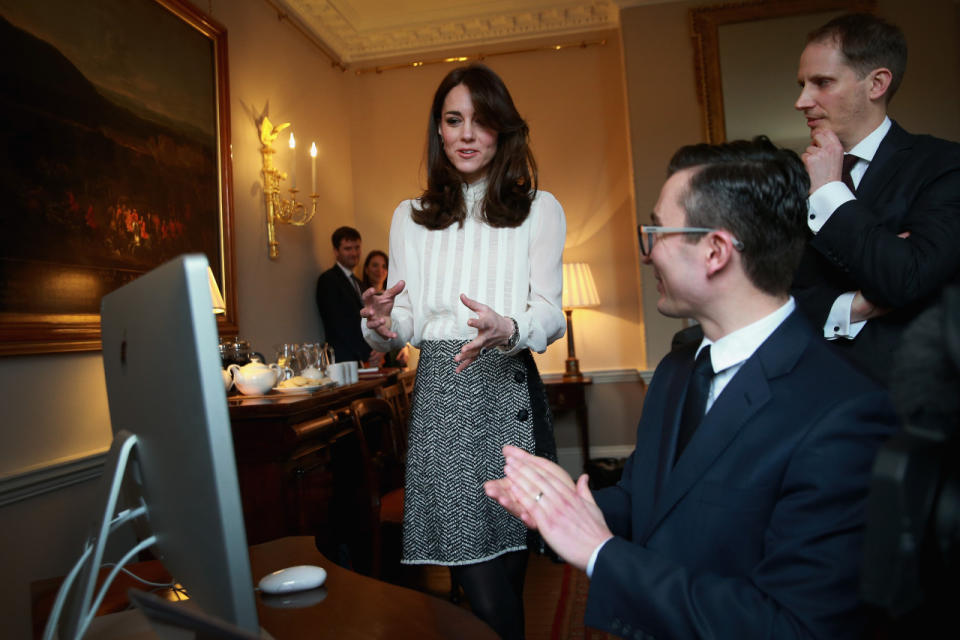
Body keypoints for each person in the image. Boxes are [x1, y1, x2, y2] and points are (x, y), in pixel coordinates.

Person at [485, 137, 898, 639]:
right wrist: (558, 508)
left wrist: (600, 553)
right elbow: (649, 504)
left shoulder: (843, 414)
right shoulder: (677, 371)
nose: (646, 253)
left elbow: (791, 626)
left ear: (715, 251)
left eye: (656, 232)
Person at [361, 63, 565, 639]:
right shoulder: (409, 218)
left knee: (509, 572)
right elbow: (398, 326)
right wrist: (379, 324)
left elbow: (550, 313)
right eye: (454, 121)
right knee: (479, 585)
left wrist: (511, 326)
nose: (467, 134)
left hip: (507, 393)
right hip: (443, 398)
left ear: (503, 130)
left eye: (481, 121)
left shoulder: (539, 209)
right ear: (439, 130)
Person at [791, 13, 960, 386]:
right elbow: (773, 295)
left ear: (877, 83)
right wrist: (851, 305)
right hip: (806, 392)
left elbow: (904, 277)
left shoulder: (945, 166)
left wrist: (828, 194)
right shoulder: (791, 179)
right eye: (803, 84)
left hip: (907, 408)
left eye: (822, 82)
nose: (802, 101)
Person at [316, 226, 385, 367]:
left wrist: (377, 349)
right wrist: (367, 353)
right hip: (344, 361)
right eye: (347, 248)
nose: (354, 253)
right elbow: (339, 325)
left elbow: (369, 322)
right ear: (336, 251)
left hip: (366, 361)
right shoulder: (328, 280)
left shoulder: (360, 284)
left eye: (357, 247)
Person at [361, 249, 409, 367]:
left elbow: (405, 326)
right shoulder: (363, 295)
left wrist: (406, 348)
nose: (380, 270)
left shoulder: (395, 296)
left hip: (393, 359)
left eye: (384, 266)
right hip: (369, 358)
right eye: (375, 265)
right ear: (366, 269)